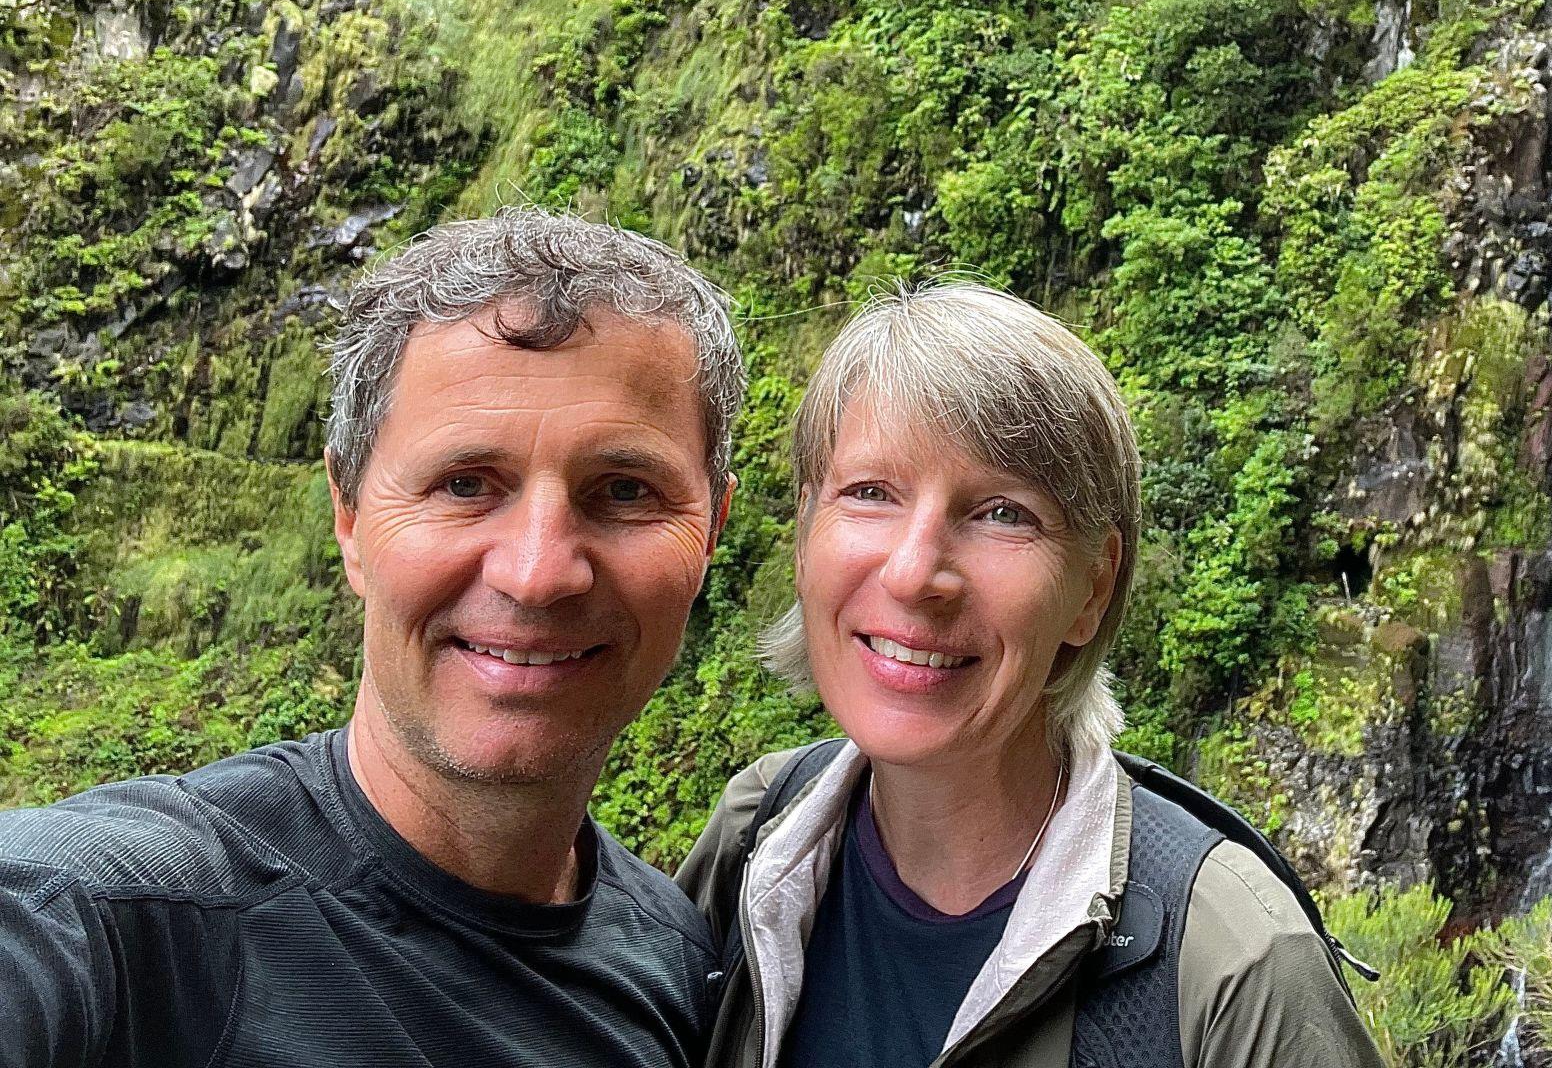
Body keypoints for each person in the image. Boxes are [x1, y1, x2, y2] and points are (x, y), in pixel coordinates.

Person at [0, 208, 745, 1068]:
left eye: (623, 491)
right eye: (464, 483)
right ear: (348, 515)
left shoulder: (679, 966)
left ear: (712, 529)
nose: (537, 573)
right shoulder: (125, 917)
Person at [678, 283, 1380, 1068]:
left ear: (1092, 589)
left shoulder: (1234, 966)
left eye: (1003, 513)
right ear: (807, 534)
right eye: (871, 493)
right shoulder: (756, 841)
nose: (914, 573)